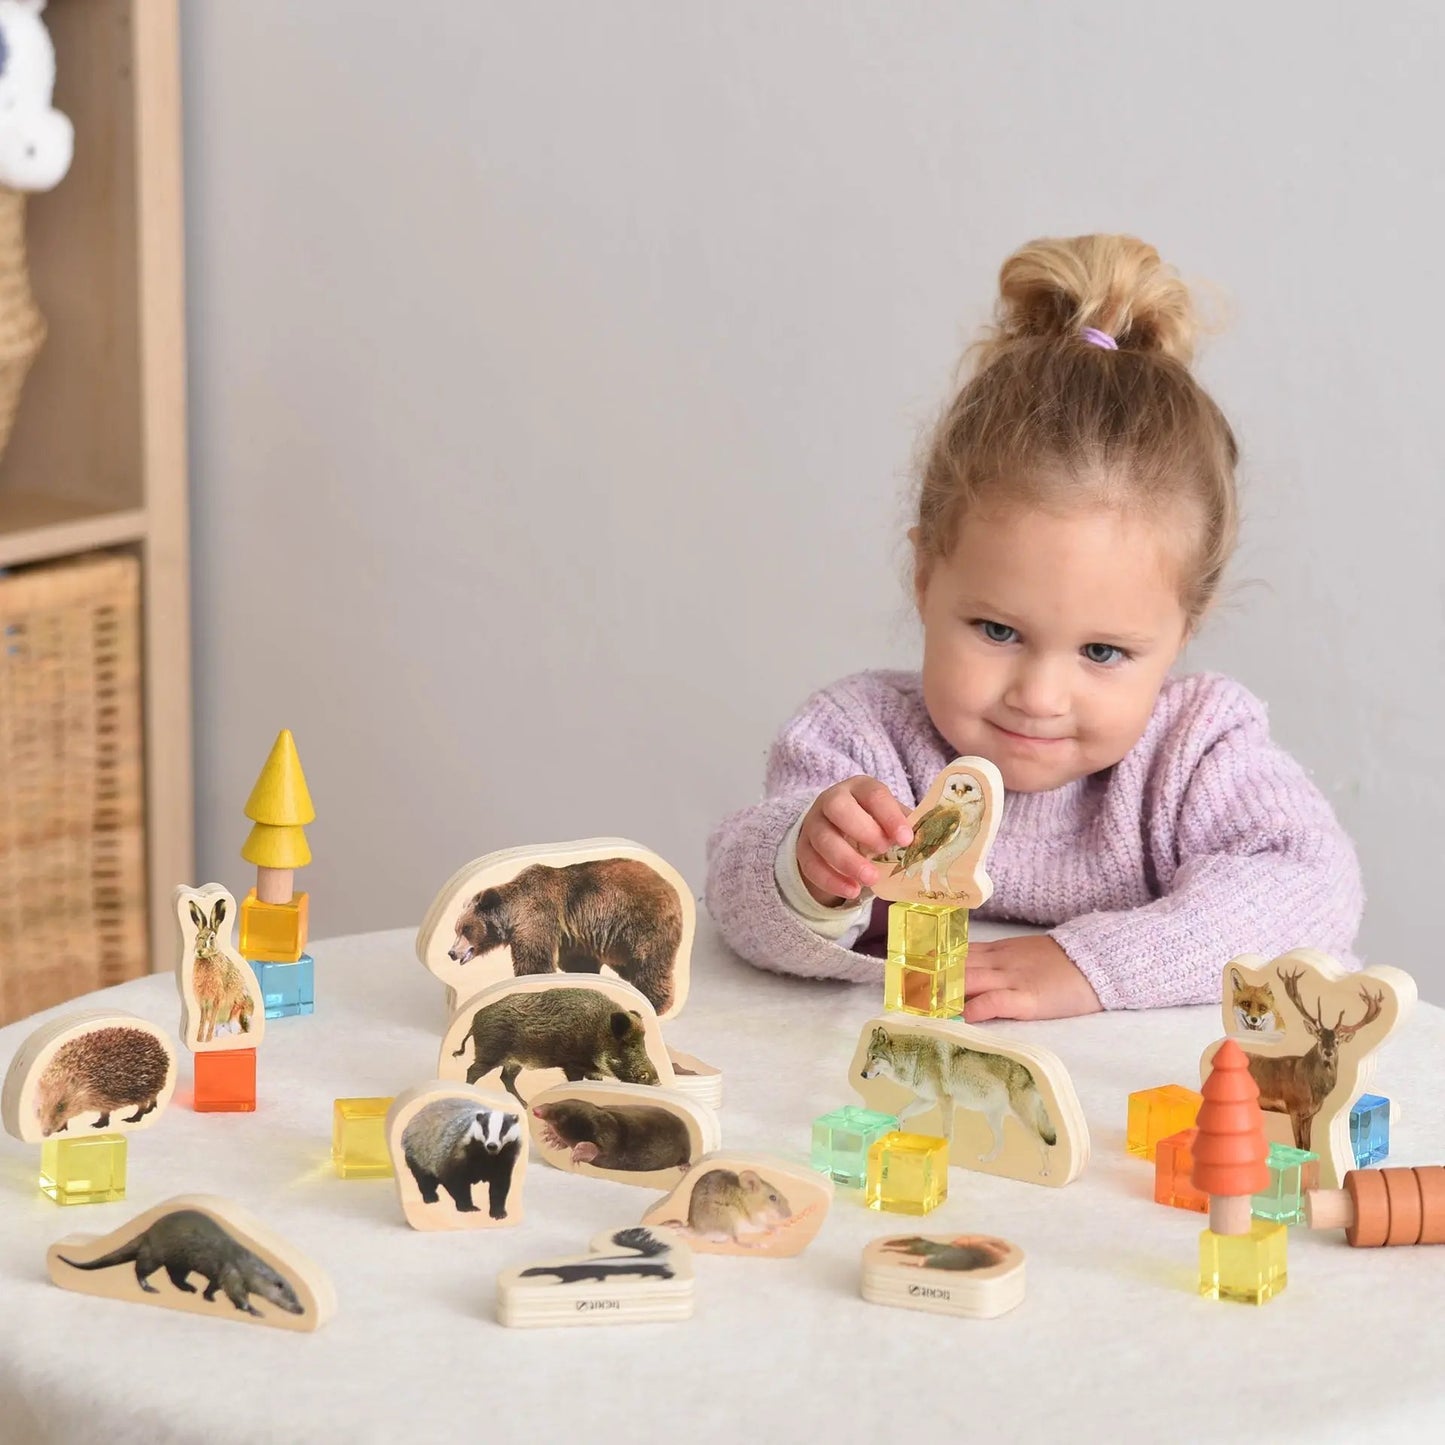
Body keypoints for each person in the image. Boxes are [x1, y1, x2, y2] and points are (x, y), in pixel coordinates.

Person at [705, 234, 1363, 1021]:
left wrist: (1087, 965)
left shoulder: (1198, 755)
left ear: (1184, 628)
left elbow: (1312, 891)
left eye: (1102, 651)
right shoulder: (863, 743)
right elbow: (738, 911)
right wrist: (803, 869)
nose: (1039, 695)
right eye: (996, 630)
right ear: (925, 578)